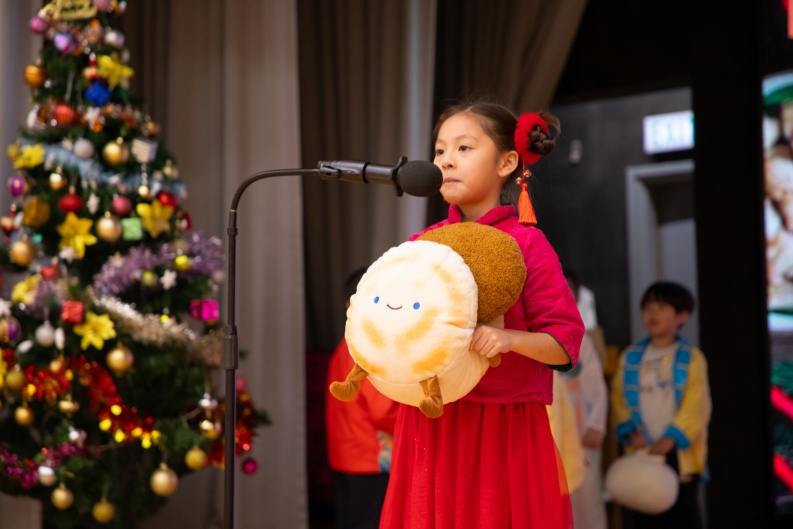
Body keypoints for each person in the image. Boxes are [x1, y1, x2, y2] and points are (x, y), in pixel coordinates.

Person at [378, 100, 585, 529]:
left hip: (501, 427)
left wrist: (510, 340)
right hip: (432, 423)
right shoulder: (422, 244)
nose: (446, 160)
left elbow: (565, 342)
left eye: (464, 148)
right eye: (439, 150)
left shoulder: (528, 243)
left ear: (507, 162)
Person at [610, 281, 711, 529]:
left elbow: (696, 405)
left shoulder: (693, 358)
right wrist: (630, 431)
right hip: (642, 449)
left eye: (662, 307)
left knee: (683, 516)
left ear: (682, 316)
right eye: (647, 308)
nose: (652, 314)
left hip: (677, 454)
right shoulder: (630, 356)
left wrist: (672, 437)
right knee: (644, 517)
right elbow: (618, 396)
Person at [326, 267, 400, 529]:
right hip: (370, 457)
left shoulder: (350, 343)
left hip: (349, 453)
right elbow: (383, 410)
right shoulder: (369, 346)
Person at [561, 269, 609, 529]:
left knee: (586, 495)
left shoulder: (581, 339)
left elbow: (596, 388)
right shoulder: (527, 334)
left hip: (579, 424)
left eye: (566, 289)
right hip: (548, 425)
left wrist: (596, 425)